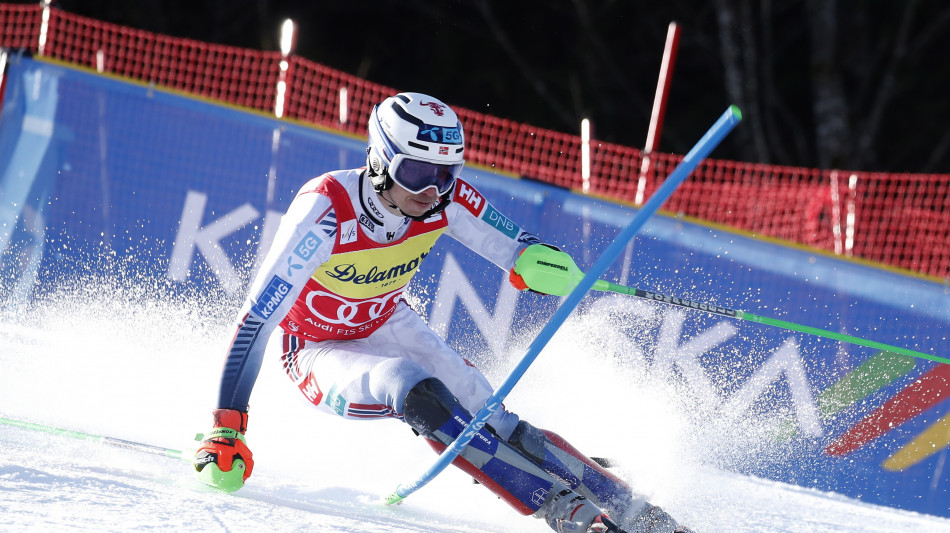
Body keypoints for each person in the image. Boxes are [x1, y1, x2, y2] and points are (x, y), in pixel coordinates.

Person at [192, 92, 692, 533]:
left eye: (446, 174)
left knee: (499, 424)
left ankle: (638, 513)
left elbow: (514, 244)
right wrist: (227, 426)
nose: (432, 190)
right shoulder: (325, 211)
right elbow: (257, 320)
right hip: (319, 350)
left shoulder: (445, 200)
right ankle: (567, 513)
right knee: (418, 391)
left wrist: (538, 263)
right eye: (417, 172)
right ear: (382, 161)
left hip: (388, 320)